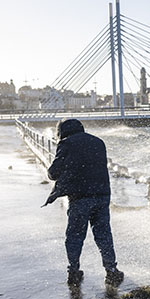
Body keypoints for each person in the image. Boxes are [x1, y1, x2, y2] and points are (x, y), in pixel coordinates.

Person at [43, 118, 124, 287]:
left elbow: (53, 173)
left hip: (80, 197)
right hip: (102, 195)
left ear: (62, 131)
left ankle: (74, 272)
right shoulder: (98, 142)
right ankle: (111, 271)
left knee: (75, 236)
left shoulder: (66, 144)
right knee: (103, 234)